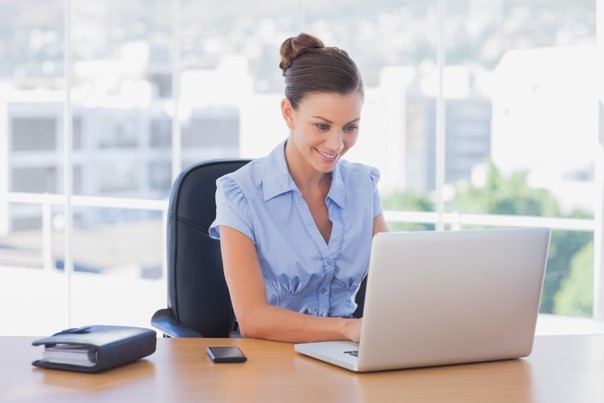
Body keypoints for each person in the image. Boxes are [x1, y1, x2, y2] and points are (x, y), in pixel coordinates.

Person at [209, 33, 389, 343]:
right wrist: (347, 328)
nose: (336, 144)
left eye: (350, 127)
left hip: (345, 357)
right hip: (268, 364)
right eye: (322, 126)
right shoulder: (240, 194)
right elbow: (252, 318)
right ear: (288, 113)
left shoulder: (363, 186)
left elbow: (397, 280)